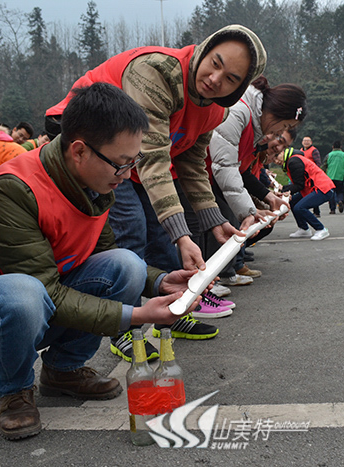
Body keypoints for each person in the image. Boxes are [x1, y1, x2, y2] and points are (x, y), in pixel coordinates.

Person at [0, 83, 204, 440]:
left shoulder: (94, 184)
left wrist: (159, 281)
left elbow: (100, 258)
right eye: (121, 165)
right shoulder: (13, 189)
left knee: (127, 265)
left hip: (43, 301)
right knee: (22, 294)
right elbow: (45, 290)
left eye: (132, 163)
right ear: (79, 151)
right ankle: (13, 390)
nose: (125, 176)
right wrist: (138, 315)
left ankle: (63, 370)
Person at [46, 25, 266, 355]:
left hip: (131, 158)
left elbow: (191, 161)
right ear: (204, 49)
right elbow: (152, 159)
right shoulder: (156, 71)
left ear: (238, 89)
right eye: (215, 62)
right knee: (131, 228)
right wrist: (182, 234)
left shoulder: (216, 108)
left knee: (162, 234)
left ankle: (172, 315)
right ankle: (126, 329)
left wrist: (213, 220)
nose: (216, 79)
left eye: (231, 78)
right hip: (91, 144)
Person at [206, 75, 304, 284]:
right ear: (275, 113)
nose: (277, 136)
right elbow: (226, 166)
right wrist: (250, 211)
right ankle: (201, 287)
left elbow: (240, 172)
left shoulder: (255, 128)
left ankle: (215, 280)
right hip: (199, 175)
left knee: (226, 221)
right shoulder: (240, 111)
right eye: (282, 128)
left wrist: (268, 197)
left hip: (208, 177)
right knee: (220, 223)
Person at [280, 147, 334, 240]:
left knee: (299, 207)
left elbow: (299, 185)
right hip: (313, 188)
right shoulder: (293, 159)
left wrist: (283, 190)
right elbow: (299, 184)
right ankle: (304, 229)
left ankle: (321, 229)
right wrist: (284, 189)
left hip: (321, 188)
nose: (275, 160)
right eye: (273, 159)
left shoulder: (293, 161)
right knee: (293, 202)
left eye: (276, 157)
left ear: (283, 152)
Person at [321, 141, 344, 214]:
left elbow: (324, 165)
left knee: (331, 193)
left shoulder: (329, 155)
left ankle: (332, 209)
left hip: (330, 177)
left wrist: (323, 174)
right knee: (340, 191)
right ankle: (340, 201)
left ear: (332, 147)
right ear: (341, 147)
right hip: (340, 176)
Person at [300, 136, 322, 217]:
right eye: (304, 141)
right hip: (303, 175)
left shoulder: (314, 150)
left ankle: (316, 211)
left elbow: (318, 163)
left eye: (308, 141)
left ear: (311, 142)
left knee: (313, 192)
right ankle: (303, 209)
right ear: (302, 142)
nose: (306, 142)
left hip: (312, 175)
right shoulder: (300, 151)